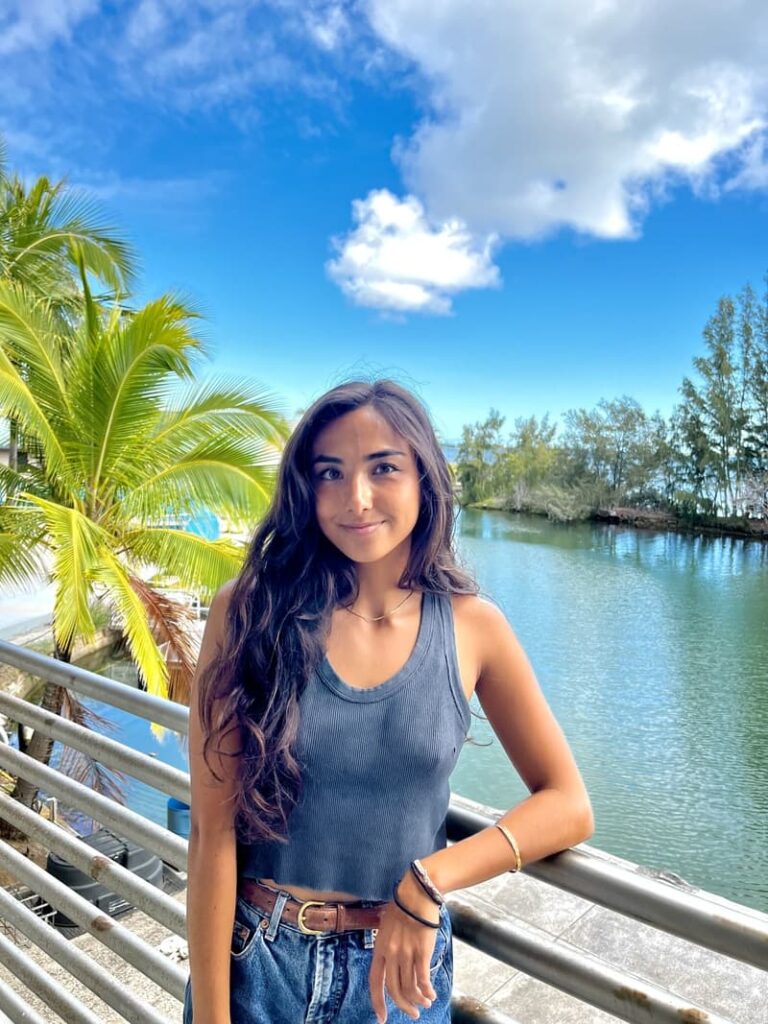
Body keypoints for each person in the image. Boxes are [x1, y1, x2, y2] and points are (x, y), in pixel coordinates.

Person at [183, 378, 594, 1024]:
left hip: (400, 978)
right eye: (330, 472)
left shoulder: (473, 627)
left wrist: (429, 881)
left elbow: (568, 803)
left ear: (424, 479)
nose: (357, 497)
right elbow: (211, 833)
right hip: (258, 963)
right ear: (305, 488)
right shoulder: (249, 611)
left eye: (383, 468)